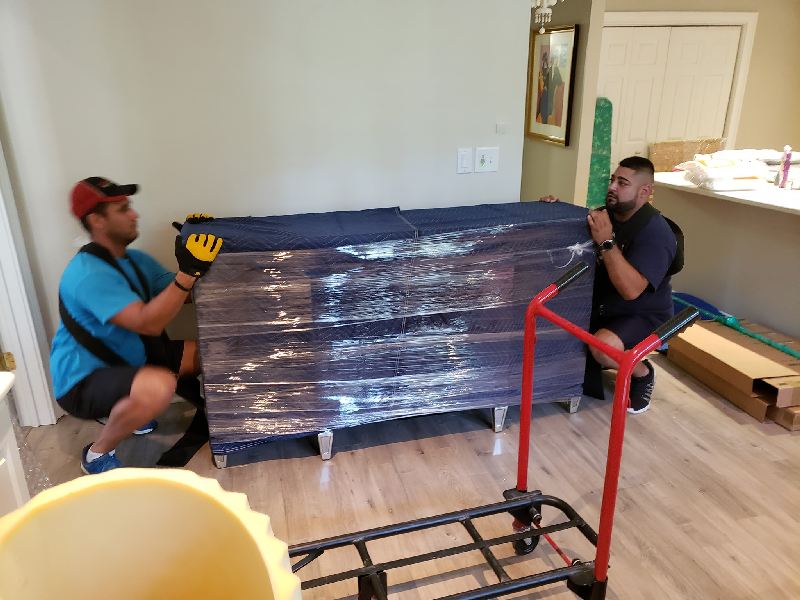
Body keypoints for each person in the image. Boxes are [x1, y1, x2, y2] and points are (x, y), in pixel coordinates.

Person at [49, 177, 223, 473]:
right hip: (83, 380)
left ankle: (133, 411)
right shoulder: (89, 275)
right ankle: (97, 454)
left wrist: (203, 238)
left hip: (131, 358)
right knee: (159, 386)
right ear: (97, 220)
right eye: (123, 209)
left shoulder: (136, 261)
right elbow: (149, 323)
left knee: (215, 353)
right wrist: (188, 273)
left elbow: (184, 294)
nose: (135, 214)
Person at [542, 156, 678, 413]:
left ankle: (641, 372)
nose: (612, 187)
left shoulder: (657, 233)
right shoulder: (609, 215)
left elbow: (631, 291)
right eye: (612, 180)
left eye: (622, 183)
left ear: (645, 192)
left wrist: (607, 242)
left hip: (643, 313)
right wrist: (554, 211)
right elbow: (578, 229)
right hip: (604, 305)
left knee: (602, 348)